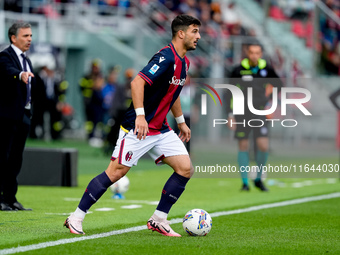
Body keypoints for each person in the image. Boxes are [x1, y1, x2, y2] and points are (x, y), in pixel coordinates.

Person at [64, 14, 201, 236]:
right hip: (138, 127)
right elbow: (137, 81)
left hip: (160, 129)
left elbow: (173, 92)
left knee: (185, 169)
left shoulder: (184, 62)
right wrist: (140, 116)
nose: (199, 36)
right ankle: (76, 217)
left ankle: (159, 219)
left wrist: (181, 121)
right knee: (116, 173)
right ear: (181, 33)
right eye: (195, 31)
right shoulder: (165, 57)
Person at [227, 42, 283, 192]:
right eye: (252, 52)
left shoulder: (267, 69)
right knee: (243, 146)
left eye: (257, 53)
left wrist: (269, 100)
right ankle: (245, 182)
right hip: (241, 113)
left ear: (261, 54)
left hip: (260, 113)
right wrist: (230, 114)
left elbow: (280, 85)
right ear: (247, 53)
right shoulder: (238, 70)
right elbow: (229, 93)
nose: (254, 55)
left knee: (263, 146)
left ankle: (258, 178)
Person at [0, 22, 35, 211]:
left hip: (23, 116)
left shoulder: (26, 59)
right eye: (25, 36)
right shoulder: (5, 56)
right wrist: (19, 74)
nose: (29, 39)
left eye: (30, 36)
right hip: (6, 117)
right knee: (2, 157)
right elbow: (8, 71)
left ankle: (10, 198)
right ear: (13, 38)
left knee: (15, 159)